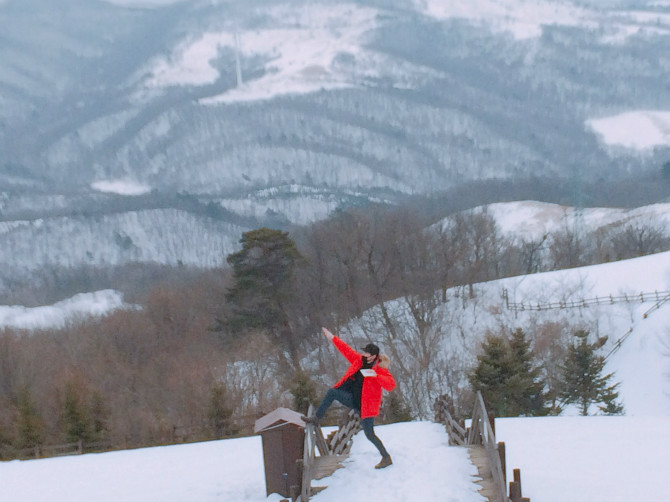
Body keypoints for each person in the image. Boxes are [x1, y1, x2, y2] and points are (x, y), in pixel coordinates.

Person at [302, 327, 396, 469]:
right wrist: (332, 337)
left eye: (366, 352)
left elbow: (390, 385)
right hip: (352, 399)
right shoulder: (359, 361)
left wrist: (375, 376)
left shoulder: (380, 370)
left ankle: (386, 457)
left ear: (373, 356)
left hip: (365, 408)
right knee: (332, 392)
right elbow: (345, 349)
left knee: (369, 434)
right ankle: (316, 418)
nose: (363, 353)